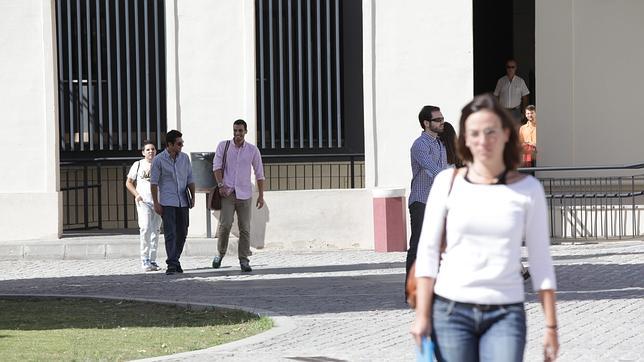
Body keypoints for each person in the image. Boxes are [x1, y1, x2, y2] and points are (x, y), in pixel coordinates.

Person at [411, 94, 558, 362]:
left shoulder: (527, 189)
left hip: (506, 311)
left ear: (504, 135)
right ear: (465, 139)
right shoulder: (447, 183)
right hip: (451, 310)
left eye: (490, 131)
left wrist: (551, 326)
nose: (482, 140)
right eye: (474, 132)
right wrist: (422, 316)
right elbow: (428, 252)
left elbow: (540, 260)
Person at [211, 119, 265, 272]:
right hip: (227, 192)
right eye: (235, 130)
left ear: (245, 132)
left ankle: (243, 260)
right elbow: (216, 167)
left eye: (240, 131)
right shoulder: (224, 146)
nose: (237, 134)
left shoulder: (252, 150)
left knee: (245, 228)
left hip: (245, 193)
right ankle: (220, 254)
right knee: (225, 225)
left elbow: (259, 173)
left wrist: (261, 195)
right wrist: (221, 185)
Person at [406, 105, 448, 297]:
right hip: (421, 201)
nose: (442, 123)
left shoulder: (440, 144)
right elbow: (435, 170)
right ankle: (411, 291)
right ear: (426, 123)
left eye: (442, 119)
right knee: (417, 246)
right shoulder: (420, 145)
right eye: (438, 120)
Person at [150, 130, 195, 275]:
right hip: (168, 201)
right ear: (169, 144)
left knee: (182, 232)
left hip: (183, 201)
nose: (181, 146)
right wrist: (156, 203)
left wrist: (193, 197)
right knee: (171, 233)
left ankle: (175, 260)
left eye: (182, 143)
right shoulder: (158, 160)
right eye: (178, 143)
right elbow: (154, 183)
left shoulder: (185, 158)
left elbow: (190, 179)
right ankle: (172, 263)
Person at [125, 140, 162, 272]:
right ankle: (144, 259)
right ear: (143, 152)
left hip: (158, 202)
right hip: (144, 201)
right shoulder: (138, 164)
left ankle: (152, 259)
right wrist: (137, 195)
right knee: (145, 228)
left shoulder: (160, 163)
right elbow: (129, 182)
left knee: (156, 230)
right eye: (148, 149)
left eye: (153, 149)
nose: (151, 151)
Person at [493, 59, 530, 125]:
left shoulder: (520, 81)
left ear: (516, 68)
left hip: (516, 112)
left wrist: (524, 112)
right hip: (504, 111)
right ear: (506, 68)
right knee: (504, 131)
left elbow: (525, 97)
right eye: (508, 67)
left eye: (512, 67)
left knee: (516, 132)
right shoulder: (501, 81)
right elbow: (496, 96)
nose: (510, 69)